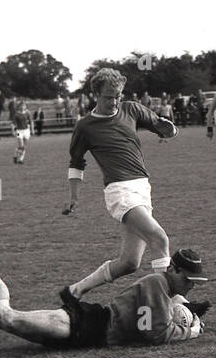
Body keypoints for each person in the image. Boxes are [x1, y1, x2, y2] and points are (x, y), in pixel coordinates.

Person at [0, 226, 210, 349]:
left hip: (88, 330)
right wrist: (192, 329)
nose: (190, 288)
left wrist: (188, 311)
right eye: (188, 280)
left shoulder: (166, 288)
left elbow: (168, 310)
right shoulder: (158, 283)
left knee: (5, 314)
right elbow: (154, 333)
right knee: (6, 317)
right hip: (87, 324)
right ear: (173, 270)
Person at [61, 67, 180, 296]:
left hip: (142, 188)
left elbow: (163, 127)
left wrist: (169, 130)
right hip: (120, 191)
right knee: (159, 238)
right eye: (108, 97)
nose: (114, 101)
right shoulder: (85, 126)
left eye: (118, 96)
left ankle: (75, 290)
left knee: (129, 262)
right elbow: (76, 163)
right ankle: (169, 304)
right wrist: (73, 197)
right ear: (96, 95)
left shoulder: (132, 110)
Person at [11, 98, 32, 164]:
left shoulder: (27, 113)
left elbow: (30, 122)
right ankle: (15, 154)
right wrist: (13, 131)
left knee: (24, 147)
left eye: (24, 105)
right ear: (19, 106)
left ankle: (21, 159)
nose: (23, 107)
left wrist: (32, 130)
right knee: (21, 146)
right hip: (18, 131)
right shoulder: (16, 114)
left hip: (26, 131)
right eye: (22, 106)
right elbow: (13, 124)